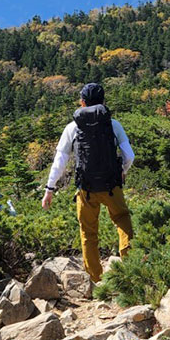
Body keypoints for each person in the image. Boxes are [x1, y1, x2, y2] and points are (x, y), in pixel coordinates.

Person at [41, 82, 134, 282]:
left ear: (82, 102)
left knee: (88, 232)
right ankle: (129, 272)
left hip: (86, 188)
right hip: (112, 185)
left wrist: (50, 188)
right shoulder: (113, 124)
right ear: (102, 102)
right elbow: (129, 156)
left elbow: (60, 162)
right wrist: (122, 172)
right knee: (123, 220)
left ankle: (95, 280)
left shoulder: (72, 128)